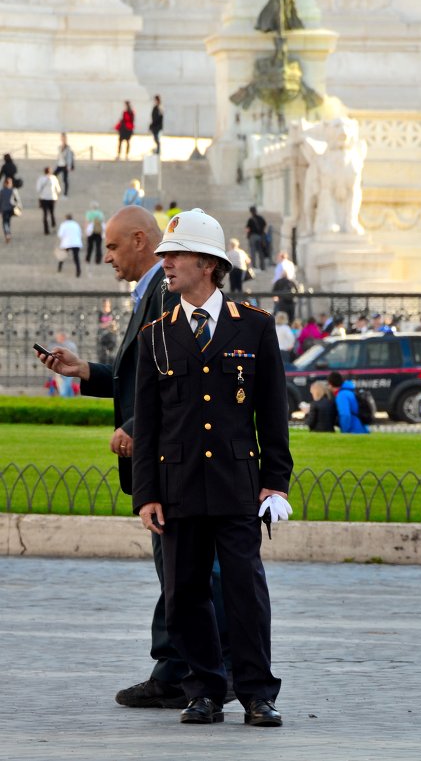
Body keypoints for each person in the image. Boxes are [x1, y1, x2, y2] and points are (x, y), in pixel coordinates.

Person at [36, 206, 232, 710]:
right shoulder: (152, 294)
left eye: (114, 247)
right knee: (174, 569)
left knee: (188, 570)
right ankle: (176, 664)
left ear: (142, 240)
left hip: (172, 456)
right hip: (160, 456)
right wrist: (89, 373)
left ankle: (204, 669)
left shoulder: (170, 293)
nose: (106, 257)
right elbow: (142, 375)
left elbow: (184, 380)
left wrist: (138, 426)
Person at [132, 208, 293, 727]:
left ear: (206, 263)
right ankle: (203, 689)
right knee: (184, 593)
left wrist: (275, 483)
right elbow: (149, 425)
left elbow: (272, 414)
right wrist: (146, 494)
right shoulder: (156, 334)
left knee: (245, 590)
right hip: (178, 486)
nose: (166, 264)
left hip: (236, 484)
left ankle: (256, 693)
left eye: (174, 255)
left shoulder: (255, 327)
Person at [36, 167, 62, 235]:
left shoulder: (41, 179)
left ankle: (46, 230)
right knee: (52, 213)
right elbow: (58, 189)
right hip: (52, 198)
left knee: (45, 214)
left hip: (44, 198)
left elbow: (38, 189)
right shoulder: (54, 178)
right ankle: (53, 225)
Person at [0, 177, 21, 244]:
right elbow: (18, 200)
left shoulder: (2, 191)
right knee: (8, 222)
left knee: (5, 223)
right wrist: (19, 207)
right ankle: (8, 233)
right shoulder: (13, 190)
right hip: (11, 209)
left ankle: (7, 234)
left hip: (4, 209)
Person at [245, 205, 266, 271]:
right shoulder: (260, 218)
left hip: (253, 236)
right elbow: (265, 224)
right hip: (260, 236)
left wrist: (247, 235)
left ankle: (254, 266)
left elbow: (248, 229)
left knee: (253, 252)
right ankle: (262, 266)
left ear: (251, 211)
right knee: (260, 252)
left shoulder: (250, 219)